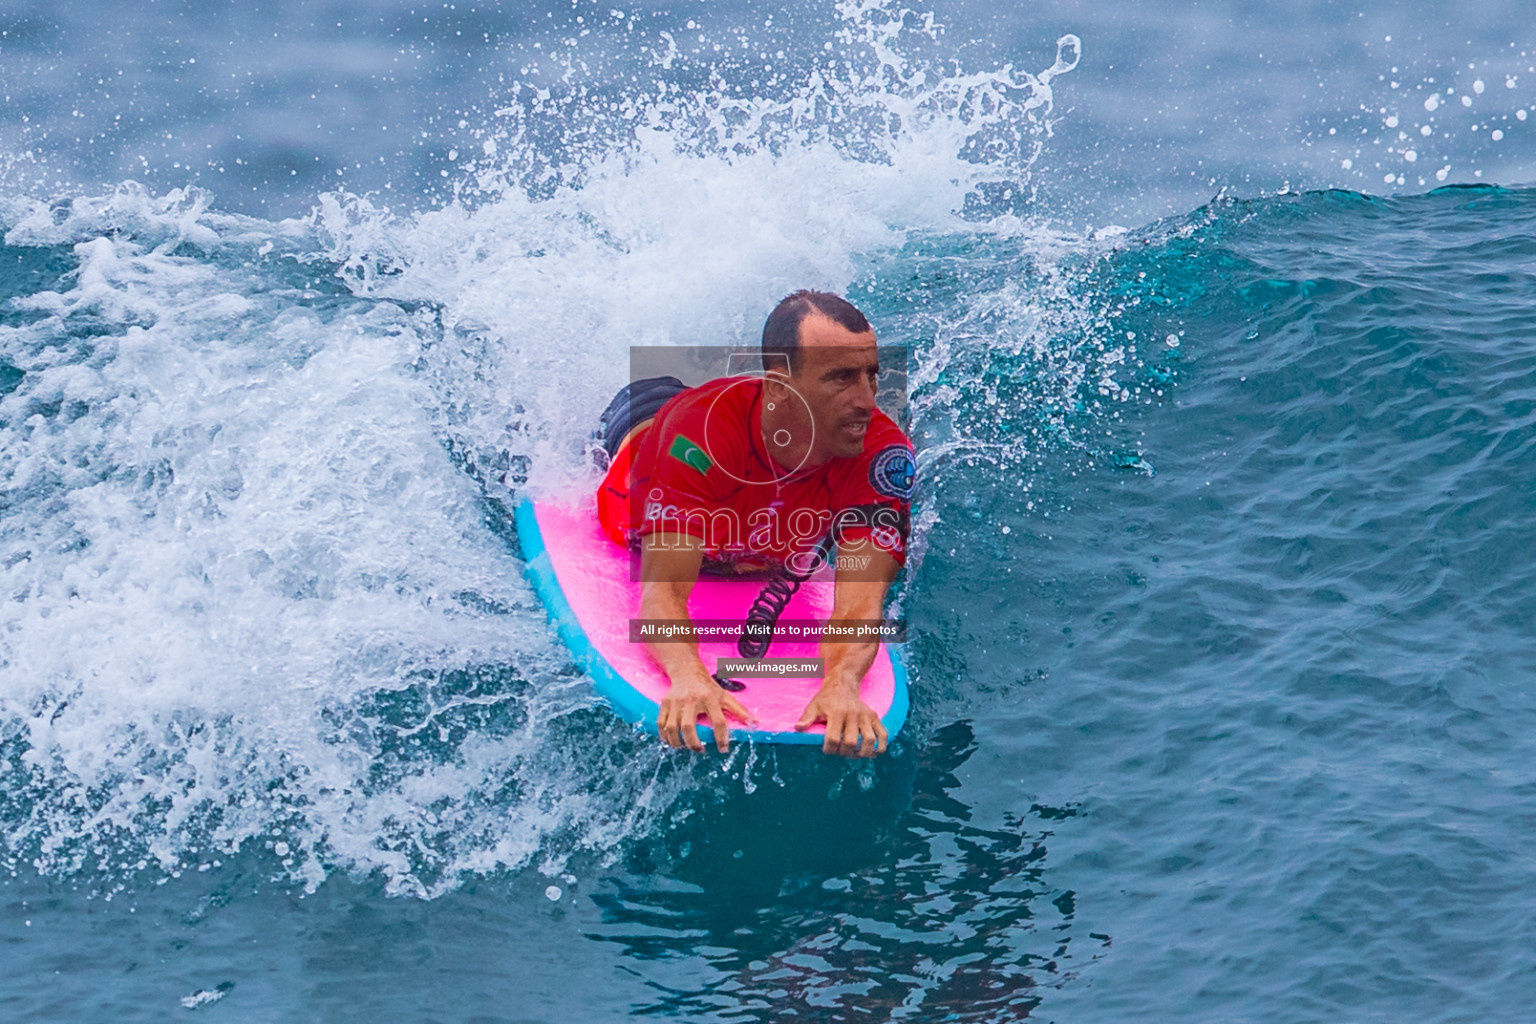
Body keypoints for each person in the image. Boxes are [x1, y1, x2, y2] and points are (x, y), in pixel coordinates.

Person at [594, 290, 914, 758]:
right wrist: (689, 675)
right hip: (644, 427)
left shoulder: (882, 454)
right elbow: (660, 593)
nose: (867, 400)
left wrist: (843, 682)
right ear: (780, 385)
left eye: (871, 376)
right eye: (842, 378)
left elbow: (859, 608)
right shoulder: (694, 434)